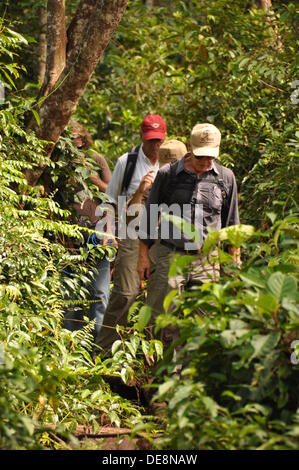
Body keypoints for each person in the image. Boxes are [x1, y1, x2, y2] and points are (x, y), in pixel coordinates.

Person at [138, 123, 240, 321]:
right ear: (190, 147)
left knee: (205, 321)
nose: (205, 161)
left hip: (207, 260)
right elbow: (150, 217)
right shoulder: (168, 174)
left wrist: (234, 263)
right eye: (200, 155)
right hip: (171, 256)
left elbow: (232, 225)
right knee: (162, 320)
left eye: (210, 156)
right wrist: (143, 257)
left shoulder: (226, 178)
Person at [95, 114, 166, 351]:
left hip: (162, 235)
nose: (155, 146)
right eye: (151, 141)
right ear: (142, 138)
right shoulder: (128, 162)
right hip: (132, 232)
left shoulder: (171, 162)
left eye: (159, 141)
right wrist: (106, 232)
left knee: (157, 299)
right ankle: (105, 351)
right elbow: (110, 200)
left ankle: (144, 355)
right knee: (126, 293)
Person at [63, 122, 112, 340]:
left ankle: (97, 347)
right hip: (69, 235)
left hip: (97, 232)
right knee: (70, 294)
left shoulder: (96, 159)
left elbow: (112, 195)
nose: (74, 143)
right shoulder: (60, 164)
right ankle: (70, 345)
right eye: (69, 139)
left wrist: (109, 232)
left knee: (100, 293)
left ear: (83, 140)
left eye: (77, 138)